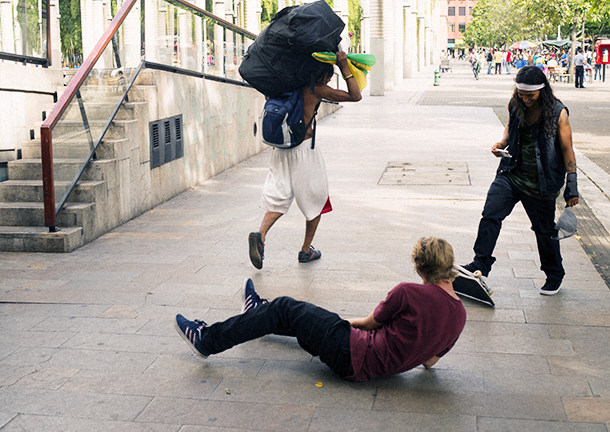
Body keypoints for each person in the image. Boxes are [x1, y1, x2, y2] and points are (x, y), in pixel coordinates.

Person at [174, 237, 467, 382]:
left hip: (352, 353)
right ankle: (257, 313)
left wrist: (332, 322)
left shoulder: (409, 293)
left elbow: (365, 325)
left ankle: (206, 340)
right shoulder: (460, 315)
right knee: (302, 318)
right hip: (375, 367)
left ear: (418, 266)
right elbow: (429, 362)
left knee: (286, 307)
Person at [462, 66, 579, 296]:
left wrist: (571, 186)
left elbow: (567, 149)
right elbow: (509, 128)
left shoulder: (558, 113)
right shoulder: (515, 104)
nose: (525, 99)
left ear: (542, 92)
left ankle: (554, 274)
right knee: (491, 214)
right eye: (521, 94)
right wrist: (502, 144)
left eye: (530, 96)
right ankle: (480, 264)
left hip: (541, 183)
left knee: (544, 230)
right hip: (511, 173)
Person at [248, 50, 362, 269]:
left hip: (280, 149)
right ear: (322, 75)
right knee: (317, 199)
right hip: (303, 150)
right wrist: (344, 65)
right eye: (328, 77)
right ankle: (305, 250)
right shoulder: (316, 89)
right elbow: (355, 95)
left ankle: (260, 236)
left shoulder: (283, 84)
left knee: (279, 197)